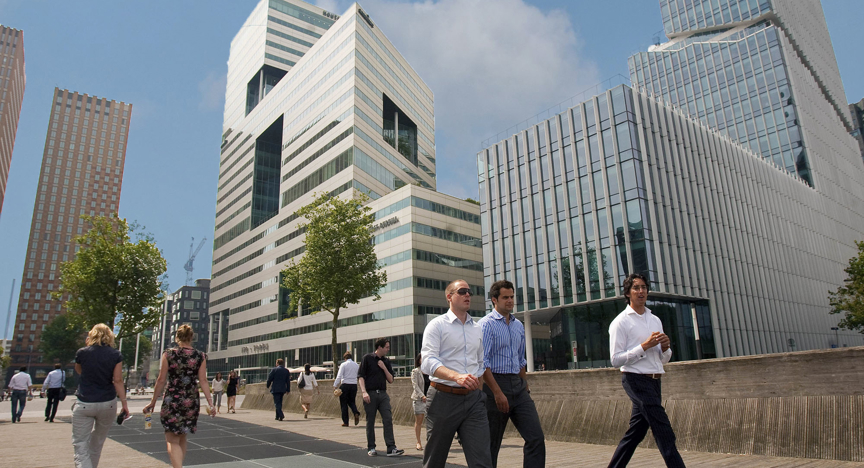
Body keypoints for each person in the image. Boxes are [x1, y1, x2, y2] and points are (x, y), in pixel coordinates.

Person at [607, 273, 685, 468]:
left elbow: (662, 358)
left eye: (643, 287)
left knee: (636, 433)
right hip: (635, 379)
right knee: (664, 430)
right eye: (636, 288)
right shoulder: (620, 322)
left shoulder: (655, 320)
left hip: (655, 380)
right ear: (628, 293)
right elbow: (616, 360)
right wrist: (644, 346)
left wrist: (666, 348)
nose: (641, 291)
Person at [421, 279, 492, 468]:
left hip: (474, 401)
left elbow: (479, 363)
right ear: (449, 297)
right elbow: (427, 362)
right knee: (435, 461)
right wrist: (456, 376)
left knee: (482, 460)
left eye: (470, 291)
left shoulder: (477, 328)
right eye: (462, 291)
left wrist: (479, 391)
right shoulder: (436, 325)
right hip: (443, 399)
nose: (468, 294)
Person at [479, 280, 546, 467]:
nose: (510, 301)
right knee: (491, 444)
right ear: (494, 300)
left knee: (536, 438)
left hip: (518, 387)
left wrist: (525, 385)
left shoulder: (518, 325)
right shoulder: (486, 325)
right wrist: (498, 393)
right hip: (494, 386)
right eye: (505, 297)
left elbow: (520, 359)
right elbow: (483, 363)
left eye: (512, 297)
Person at [143, 324, 215, 468]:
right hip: (191, 400)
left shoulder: (169, 354)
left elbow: (161, 380)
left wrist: (152, 402)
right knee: (182, 437)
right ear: (191, 337)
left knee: (171, 439)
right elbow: (203, 381)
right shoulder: (200, 356)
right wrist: (211, 403)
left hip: (173, 399)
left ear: (177, 337)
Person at [72, 324, 129, 468]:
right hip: (107, 402)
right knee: (97, 443)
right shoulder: (115, 355)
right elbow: (117, 380)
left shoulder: (82, 353)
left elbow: (79, 371)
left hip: (85, 401)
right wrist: (124, 404)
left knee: (80, 444)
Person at [358, 337, 404, 457]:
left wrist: (384, 367)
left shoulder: (386, 361)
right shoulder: (367, 358)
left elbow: (391, 380)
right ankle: (371, 447)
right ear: (379, 347)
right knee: (370, 421)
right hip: (370, 393)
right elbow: (361, 376)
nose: (388, 349)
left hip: (383, 394)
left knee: (388, 418)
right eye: (386, 347)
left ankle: (391, 448)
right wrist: (364, 392)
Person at [333, 351, 361, 427]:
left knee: (344, 403)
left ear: (345, 358)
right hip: (354, 385)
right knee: (352, 401)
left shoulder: (343, 364)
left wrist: (335, 385)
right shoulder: (356, 365)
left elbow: (339, 376)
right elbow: (359, 375)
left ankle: (346, 422)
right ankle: (355, 412)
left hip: (345, 385)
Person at [410, 353, 429, 451]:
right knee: (419, 421)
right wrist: (422, 395)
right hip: (419, 399)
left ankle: (430, 441)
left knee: (432, 422)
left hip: (430, 399)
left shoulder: (431, 371)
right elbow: (415, 385)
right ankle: (418, 442)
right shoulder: (416, 371)